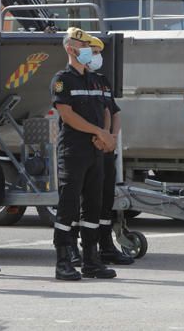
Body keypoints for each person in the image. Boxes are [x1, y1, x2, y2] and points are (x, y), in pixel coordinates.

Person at [50, 27, 117, 281]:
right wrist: (100, 133)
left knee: (93, 206)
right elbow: (67, 115)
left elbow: (107, 110)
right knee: (68, 207)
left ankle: (91, 260)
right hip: (74, 151)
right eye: (83, 44)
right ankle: (63, 259)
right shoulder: (62, 79)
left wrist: (107, 135)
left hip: (96, 152)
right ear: (70, 48)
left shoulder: (95, 79)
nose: (88, 49)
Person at [85, 35, 134, 266]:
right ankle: (81, 249)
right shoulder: (74, 80)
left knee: (105, 200)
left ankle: (105, 245)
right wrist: (102, 135)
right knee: (83, 201)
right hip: (86, 148)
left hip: (105, 149)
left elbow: (113, 112)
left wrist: (111, 137)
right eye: (92, 51)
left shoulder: (102, 81)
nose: (96, 56)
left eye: (98, 52)